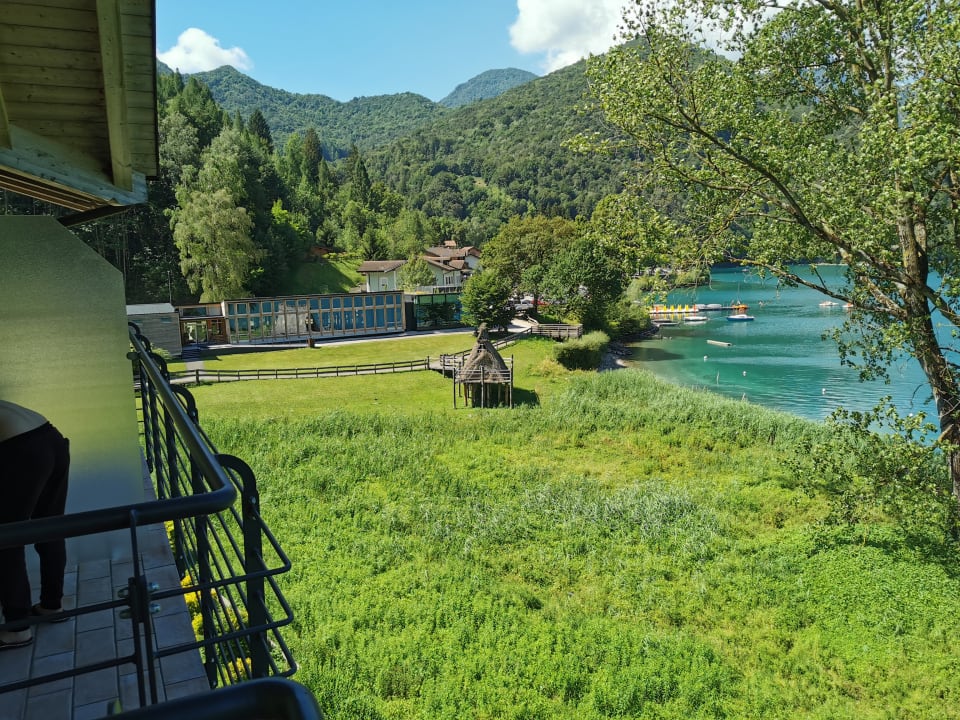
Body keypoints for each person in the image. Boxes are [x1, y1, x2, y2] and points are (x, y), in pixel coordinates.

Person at [0, 399, 70, 650]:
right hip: (51, 438)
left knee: (7, 538)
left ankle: (17, 629)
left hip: (21, 448)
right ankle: (51, 606)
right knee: (49, 528)